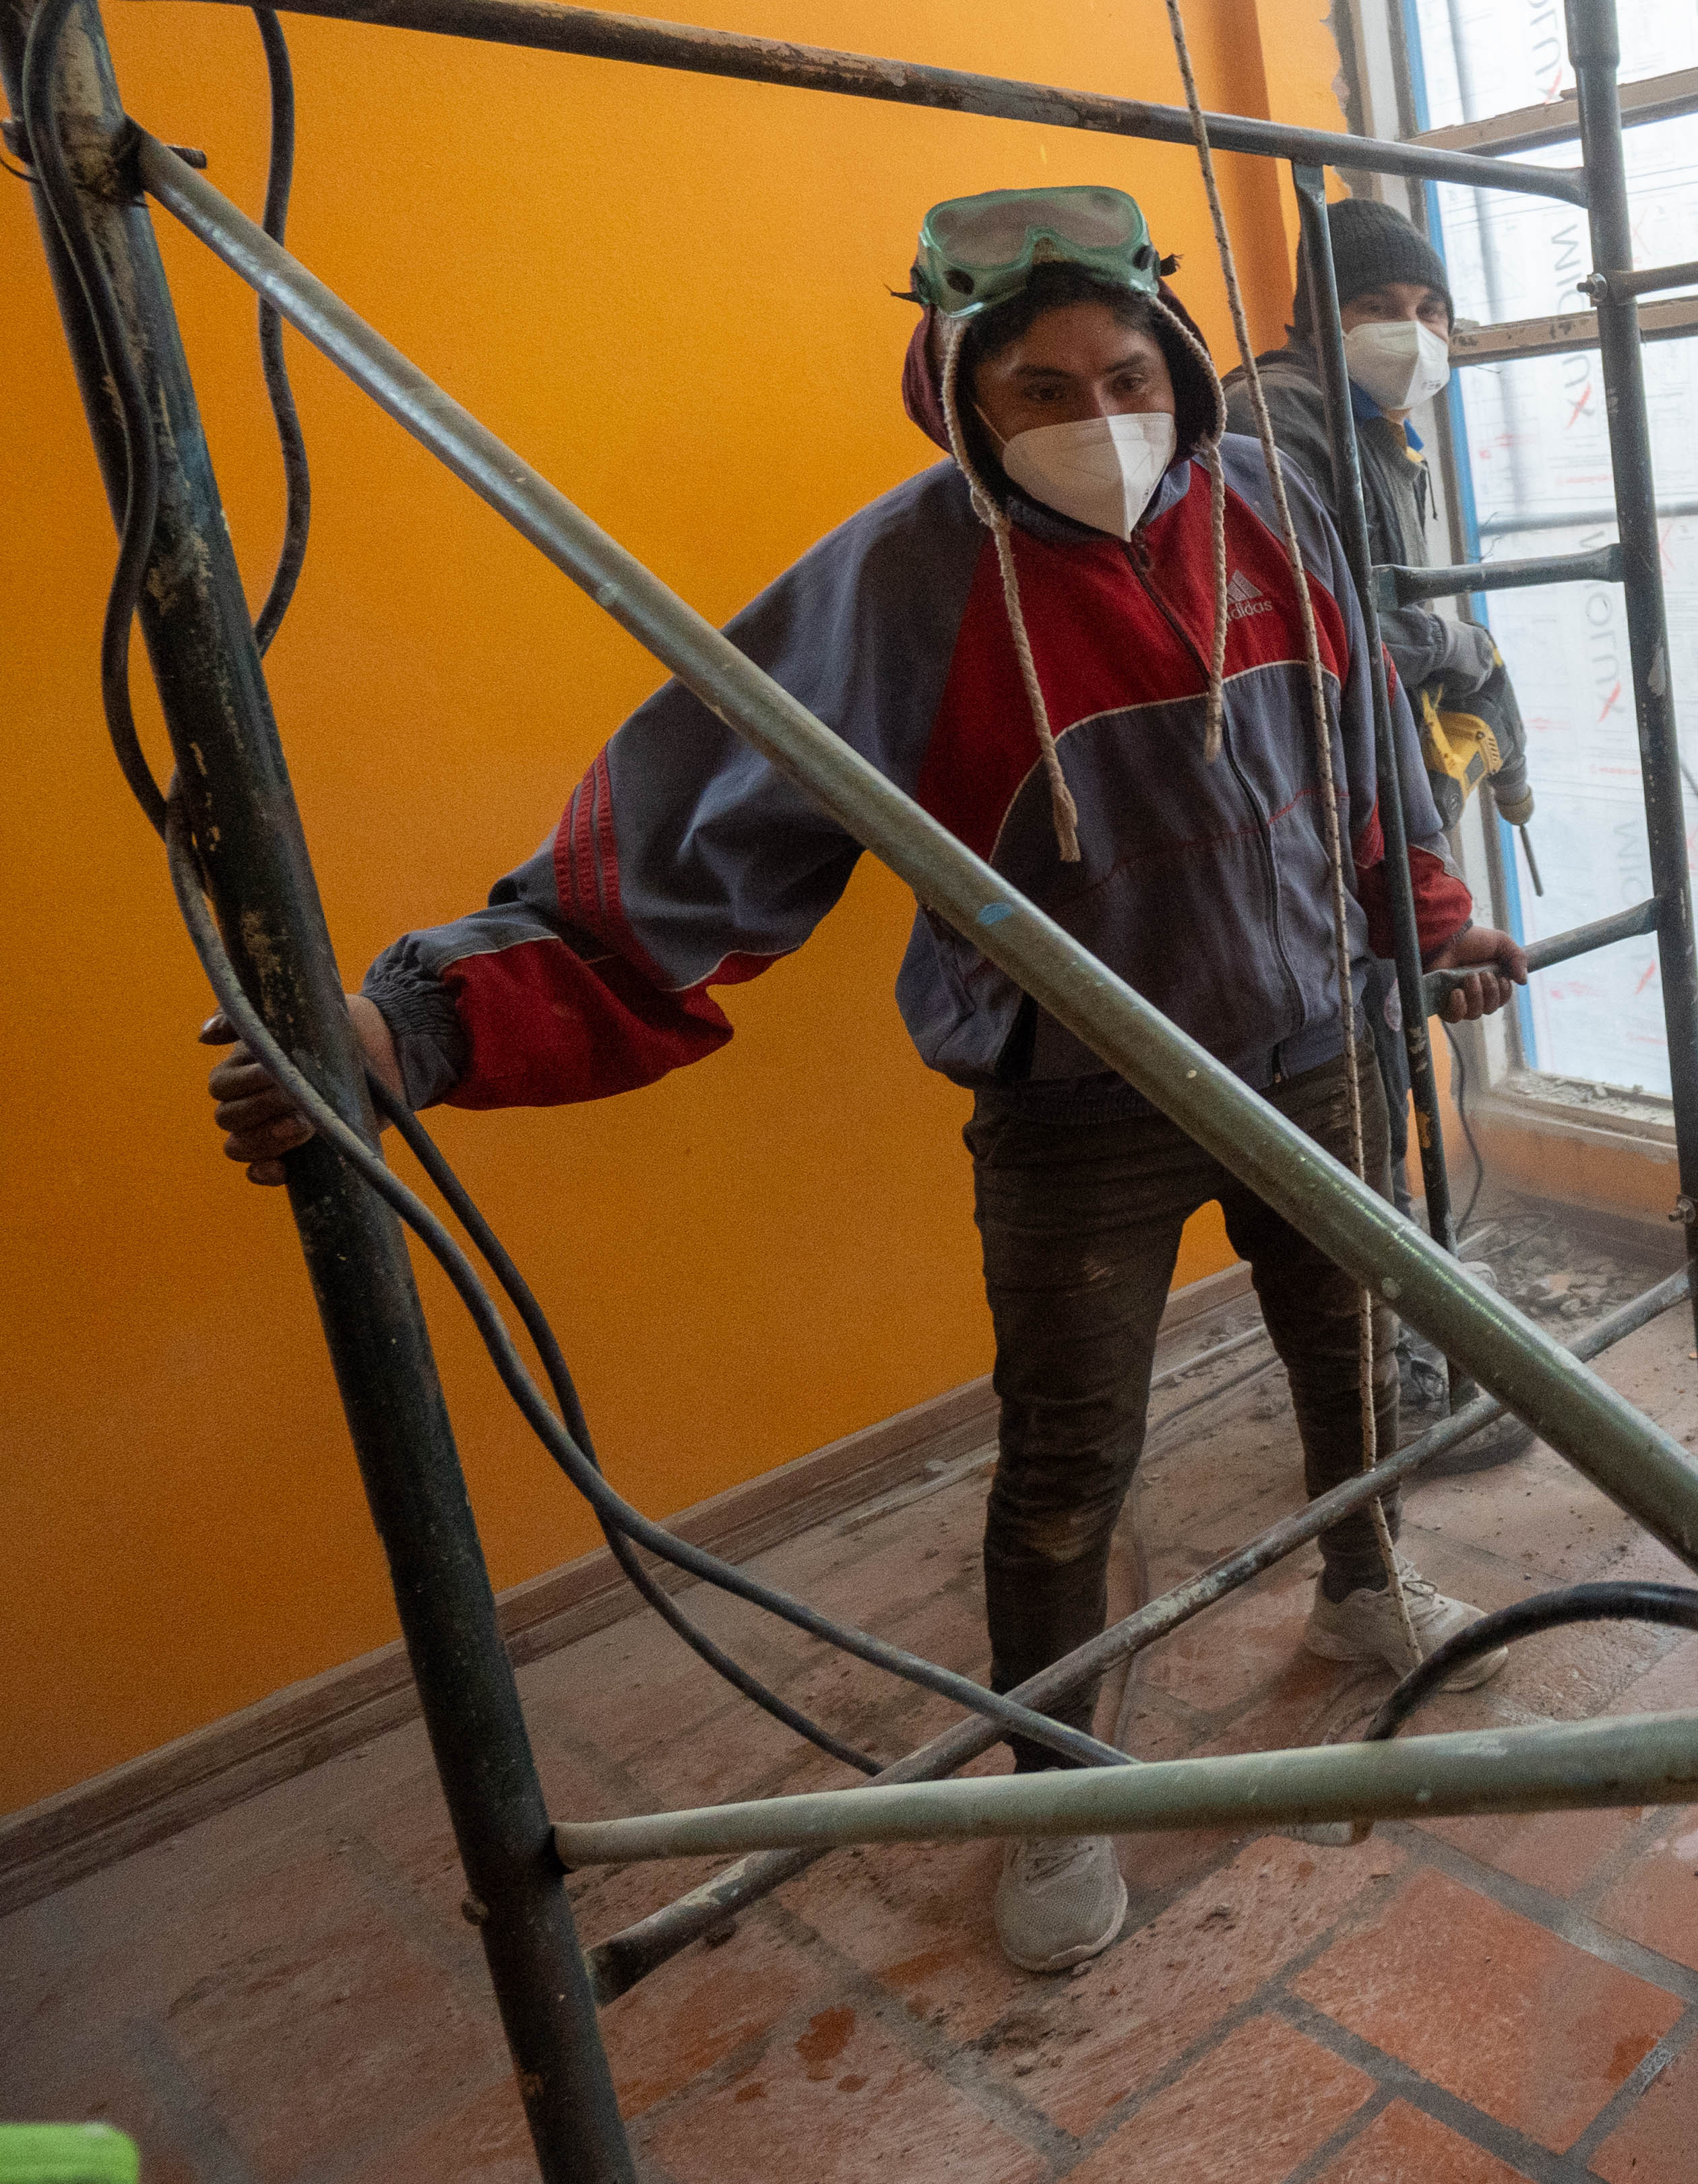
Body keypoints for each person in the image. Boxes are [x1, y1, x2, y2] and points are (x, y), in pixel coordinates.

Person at [201, 187, 1536, 1974]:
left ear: (1185, 369)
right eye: (1042, 388)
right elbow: (675, 847)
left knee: (1350, 1351)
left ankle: (1367, 1591)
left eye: (1126, 374)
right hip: (1083, 1112)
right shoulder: (899, 590)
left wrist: (1432, 919)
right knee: (1070, 1463)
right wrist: (418, 1032)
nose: (1095, 416)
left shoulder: (1269, 512)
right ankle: (1055, 1781)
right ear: (962, 392)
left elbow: (1367, 753)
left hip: (1316, 1047)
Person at [1246, 197, 1540, 1467]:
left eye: (1431, 315)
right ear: (1320, 315)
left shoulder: (1378, 428)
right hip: (1318, 817)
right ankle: (1395, 1379)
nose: (1410, 337)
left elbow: (1385, 640)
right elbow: (1343, 631)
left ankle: (1406, 1339)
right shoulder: (1288, 420)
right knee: (1357, 1106)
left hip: (1373, 804)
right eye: (1377, 310)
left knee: (1383, 1070)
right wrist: (1465, 643)